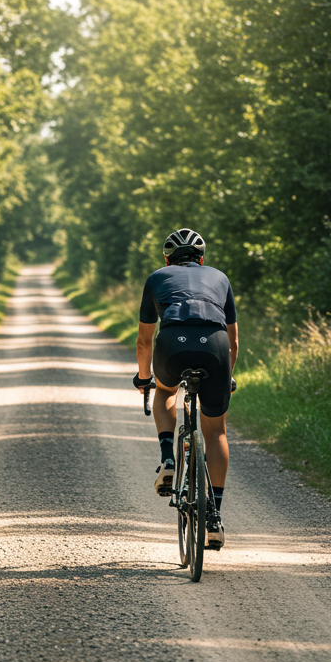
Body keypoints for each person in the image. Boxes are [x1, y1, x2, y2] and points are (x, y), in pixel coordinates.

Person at [133, 228, 238, 549]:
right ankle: (215, 518)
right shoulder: (220, 278)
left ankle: (168, 459)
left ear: (167, 259)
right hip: (216, 347)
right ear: (202, 259)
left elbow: (144, 340)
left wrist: (143, 378)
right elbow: (233, 340)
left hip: (172, 343)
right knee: (216, 432)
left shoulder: (157, 277)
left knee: (165, 391)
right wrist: (227, 375)